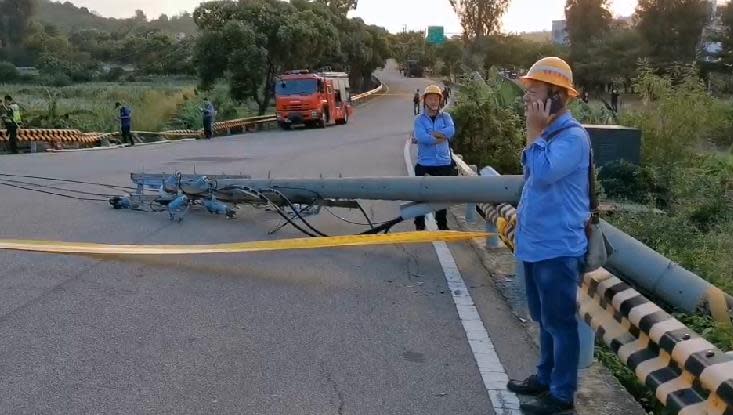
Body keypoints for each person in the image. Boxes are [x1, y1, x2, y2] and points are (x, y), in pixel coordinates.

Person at [506, 57, 591, 415]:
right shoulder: (550, 135)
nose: (527, 100)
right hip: (536, 244)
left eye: (534, 93)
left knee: (560, 322)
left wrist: (532, 131)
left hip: (557, 248)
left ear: (556, 97)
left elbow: (541, 174)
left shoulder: (571, 139)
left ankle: (561, 396)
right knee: (545, 320)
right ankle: (544, 377)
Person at [412, 84, 456, 231]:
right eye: (430, 99)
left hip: (443, 162)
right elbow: (421, 137)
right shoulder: (419, 120)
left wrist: (432, 133)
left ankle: (442, 225)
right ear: (425, 100)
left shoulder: (446, 117)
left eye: (436, 99)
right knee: (420, 195)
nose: (433, 102)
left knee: (442, 197)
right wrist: (439, 137)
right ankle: (419, 225)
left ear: (440, 100)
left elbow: (450, 131)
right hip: (425, 162)